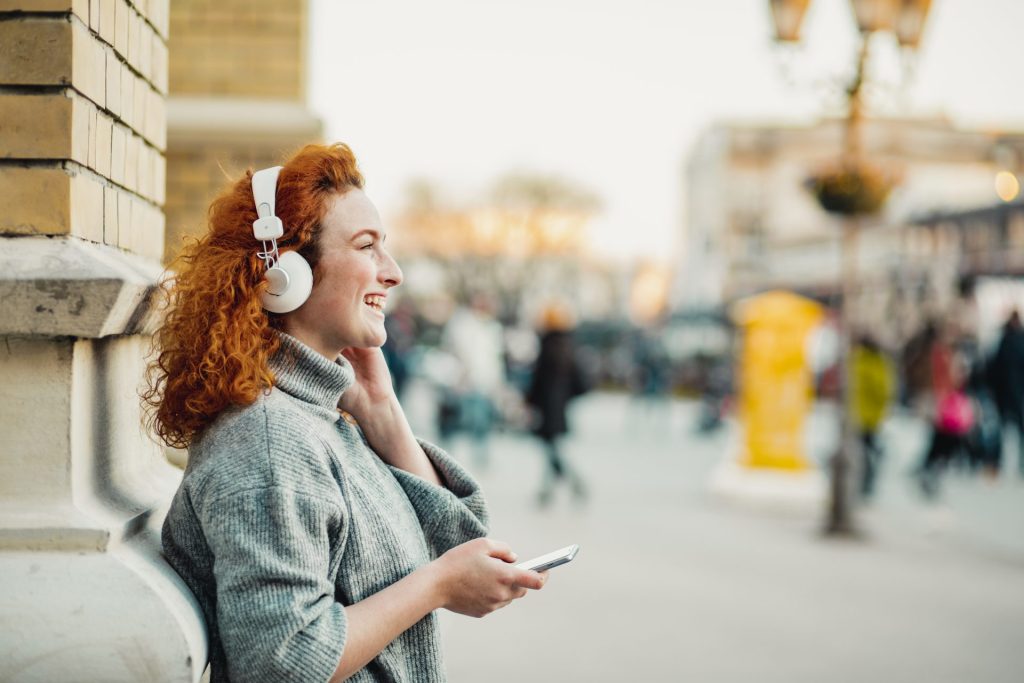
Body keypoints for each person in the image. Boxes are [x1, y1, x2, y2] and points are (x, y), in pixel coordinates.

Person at [144, 144, 546, 683]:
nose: (394, 272)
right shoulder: (267, 442)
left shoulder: (323, 418)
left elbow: (461, 544)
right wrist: (437, 586)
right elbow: (282, 662)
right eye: (366, 246)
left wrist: (382, 412)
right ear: (285, 273)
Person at [525, 304, 589, 506]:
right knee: (552, 449)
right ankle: (551, 489)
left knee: (552, 450)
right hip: (559, 409)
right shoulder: (569, 346)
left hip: (547, 409)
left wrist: (530, 401)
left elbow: (538, 382)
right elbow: (581, 384)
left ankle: (573, 482)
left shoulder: (547, 346)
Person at [849, 334, 894, 498]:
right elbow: (884, 391)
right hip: (871, 414)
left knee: (862, 448)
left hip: (856, 413)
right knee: (867, 448)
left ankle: (863, 481)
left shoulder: (855, 361)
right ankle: (867, 481)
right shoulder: (879, 364)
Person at [987, 309, 1024, 476]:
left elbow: (993, 369)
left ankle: (996, 463)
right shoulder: (1018, 341)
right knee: (1016, 430)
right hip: (1016, 394)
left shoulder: (1004, 340)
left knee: (1000, 430)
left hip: (1005, 394)